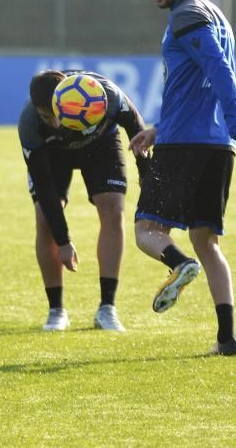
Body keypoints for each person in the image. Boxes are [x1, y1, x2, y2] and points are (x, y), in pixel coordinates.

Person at [131, 0, 236, 356]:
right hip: (213, 146)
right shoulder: (215, 14)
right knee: (207, 242)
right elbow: (199, 84)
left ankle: (177, 266)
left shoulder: (187, 16)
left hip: (187, 147)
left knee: (147, 230)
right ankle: (226, 339)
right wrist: (159, 127)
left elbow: (219, 71)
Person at [19, 69, 149, 332]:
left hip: (101, 145)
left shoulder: (106, 96)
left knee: (113, 210)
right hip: (53, 156)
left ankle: (107, 308)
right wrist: (63, 240)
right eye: (46, 117)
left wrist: (146, 174)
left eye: (54, 115)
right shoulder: (31, 124)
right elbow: (44, 186)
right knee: (44, 219)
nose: (53, 124)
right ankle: (56, 310)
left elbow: (137, 130)